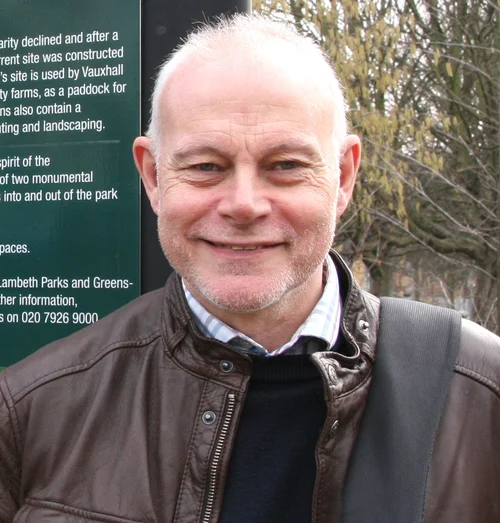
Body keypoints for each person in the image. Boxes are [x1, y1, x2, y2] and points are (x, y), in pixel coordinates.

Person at [0, 13, 499, 523]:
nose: (244, 204)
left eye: (285, 165)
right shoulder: (29, 411)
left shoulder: (483, 393)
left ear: (344, 176)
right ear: (153, 176)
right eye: (205, 166)